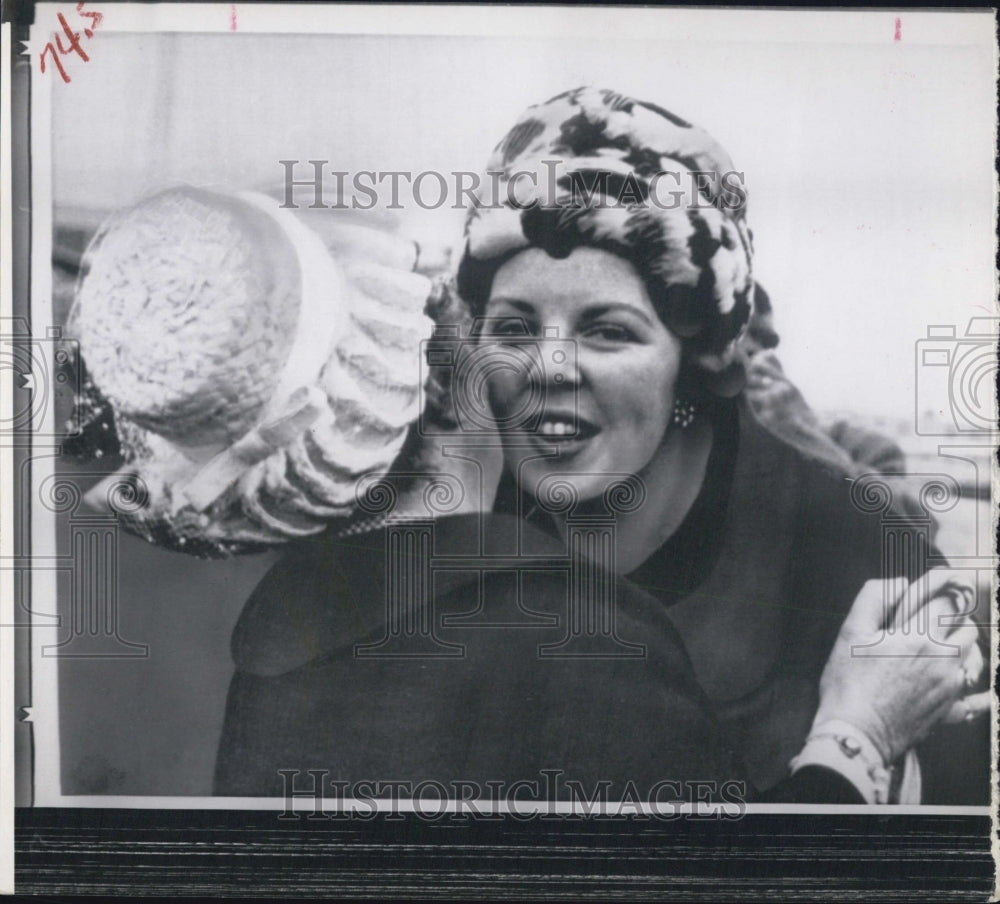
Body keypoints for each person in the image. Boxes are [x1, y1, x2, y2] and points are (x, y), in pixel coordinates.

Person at [214, 88, 988, 805]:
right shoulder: (442, 516)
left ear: (694, 362)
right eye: (515, 328)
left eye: (608, 331)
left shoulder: (852, 555)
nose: (550, 368)